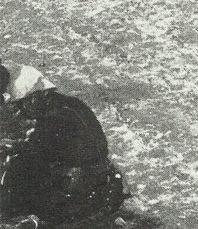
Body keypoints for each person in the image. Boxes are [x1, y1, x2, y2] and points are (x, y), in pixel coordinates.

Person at [0, 62, 126, 226]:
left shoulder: (54, 120)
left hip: (81, 192)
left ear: (38, 96)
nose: (21, 110)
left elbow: (32, 160)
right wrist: (20, 147)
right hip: (104, 183)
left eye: (22, 104)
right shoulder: (71, 104)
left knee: (16, 182)